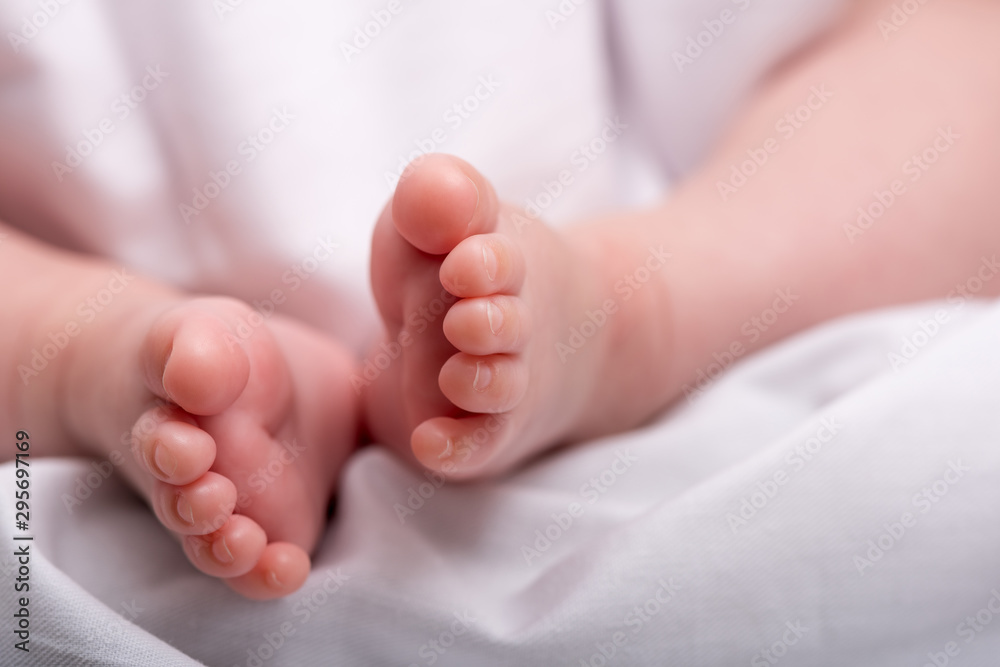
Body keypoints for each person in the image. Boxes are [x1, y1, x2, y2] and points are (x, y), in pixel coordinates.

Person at [2, 0, 999, 603]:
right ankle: (88, 352)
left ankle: (633, 309)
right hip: (54, 274)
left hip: (669, 207)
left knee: (945, 64)